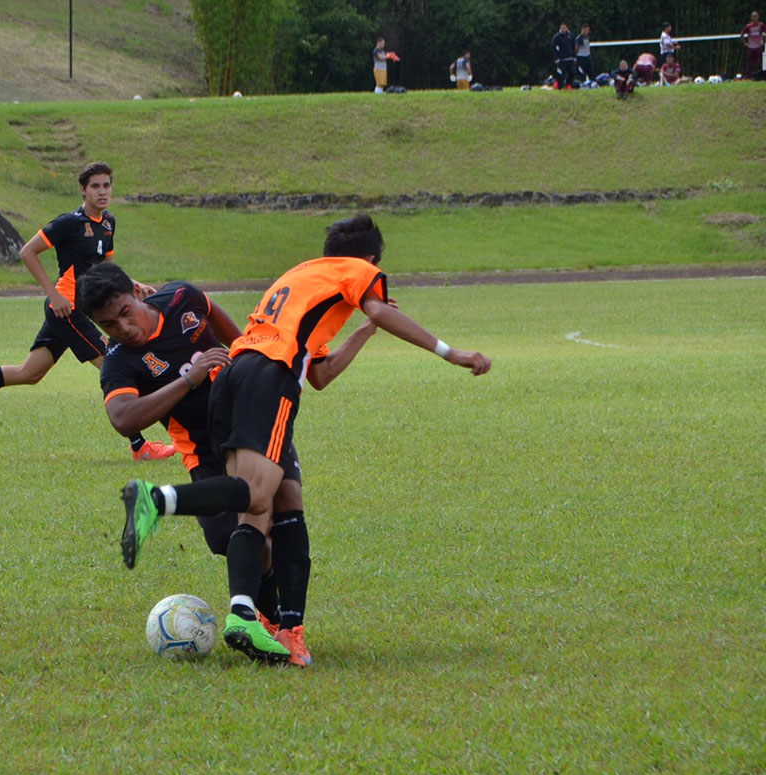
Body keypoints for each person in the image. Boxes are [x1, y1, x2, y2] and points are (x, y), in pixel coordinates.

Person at [115, 214, 492, 665]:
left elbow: (320, 374)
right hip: (268, 378)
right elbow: (379, 308)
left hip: (234, 376)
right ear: (369, 260)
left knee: (273, 503)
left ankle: (258, 621)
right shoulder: (359, 271)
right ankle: (158, 502)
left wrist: (363, 332)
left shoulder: (303, 276)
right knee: (256, 495)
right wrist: (454, 354)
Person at [76, 263, 321, 666]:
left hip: (252, 421)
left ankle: (287, 630)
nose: (123, 328)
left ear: (137, 292)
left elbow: (237, 334)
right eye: (108, 325)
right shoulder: (121, 361)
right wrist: (189, 380)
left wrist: (260, 378)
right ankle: (265, 619)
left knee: (285, 500)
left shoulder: (181, 298)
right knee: (236, 540)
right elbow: (123, 419)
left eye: (124, 312)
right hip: (204, 450)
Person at [0, 162, 175, 462]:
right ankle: (140, 446)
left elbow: (105, 269)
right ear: (83, 190)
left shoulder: (108, 223)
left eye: (106, 186)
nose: (102, 192)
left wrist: (133, 284)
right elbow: (27, 252)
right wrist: (53, 294)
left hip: (80, 310)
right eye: (95, 186)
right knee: (113, 366)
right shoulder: (69, 223)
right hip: (66, 309)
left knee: (29, 373)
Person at [552, 22, 576, 89]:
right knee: (561, 74)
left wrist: (574, 57)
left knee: (572, 72)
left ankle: (568, 85)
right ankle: (561, 87)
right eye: (562, 28)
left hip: (570, 58)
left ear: (567, 28)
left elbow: (573, 46)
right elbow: (553, 48)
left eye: (564, 28)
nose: (563, 29)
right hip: (561, 59)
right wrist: (556, 58)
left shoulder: (571, 36)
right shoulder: (557, 37)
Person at [743, 11, 765, 77]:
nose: (755, 18)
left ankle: (761, 75)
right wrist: (745, 43)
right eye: (753, 16)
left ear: (758, 17)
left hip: (759, 46)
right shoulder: (748, 26)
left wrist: (764, 42)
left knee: (760, 62)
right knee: (750, 63)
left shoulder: (761, 25)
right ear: (751, 17)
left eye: (756, 16)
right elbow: (742, 34)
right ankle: (749, 76)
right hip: (750, 46)